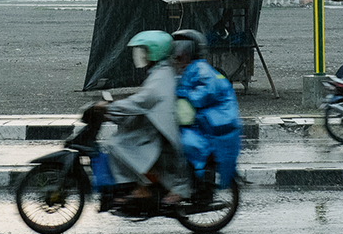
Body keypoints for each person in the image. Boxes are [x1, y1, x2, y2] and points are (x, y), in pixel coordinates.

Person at [101, 30, 191, 207]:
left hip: (159, 130)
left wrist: (110, 108)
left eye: (146, 51)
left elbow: (142, 101)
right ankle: (140, 185)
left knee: (118, 144)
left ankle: (144, 187)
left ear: (155, 52)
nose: (143, 55)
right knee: (123, 139)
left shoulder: (161, 75)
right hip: (155, 124)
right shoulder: (161, 71)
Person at [170, 29, 241, 195]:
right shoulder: (189, 69)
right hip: (207, 119)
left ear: (194, 51)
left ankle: (191, 186)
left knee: (185, 143)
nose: (179, 55)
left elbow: (207, 91)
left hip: (218, 120)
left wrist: (185, 95)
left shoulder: (200, 68)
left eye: (183, 49)